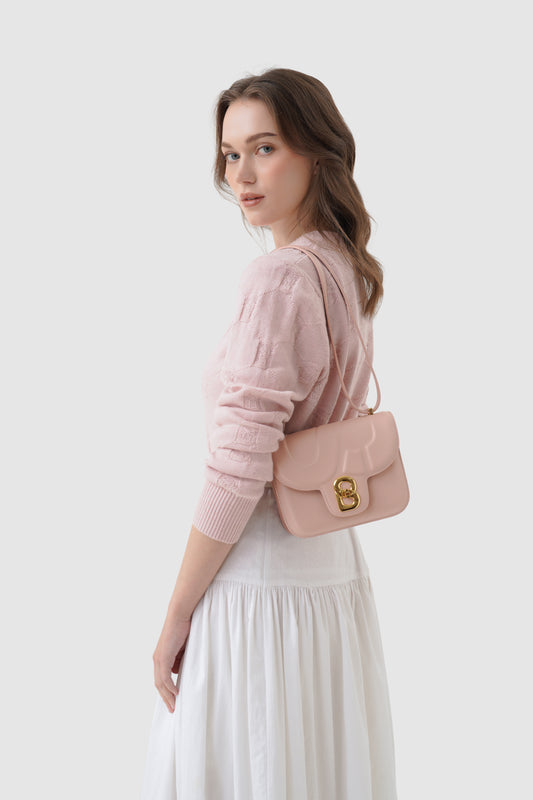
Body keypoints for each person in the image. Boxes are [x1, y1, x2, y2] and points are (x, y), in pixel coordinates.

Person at [140, 67, 398, 800]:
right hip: (328, 574)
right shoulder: (343, 267)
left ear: (316, 151)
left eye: (264, 148)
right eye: (230, 154)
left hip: (257, 585)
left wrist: (176, 615)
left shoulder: (280, 278)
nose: (241, 175)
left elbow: (237, 468)